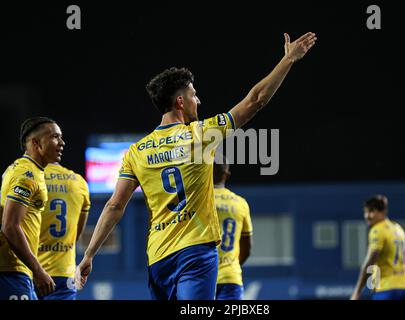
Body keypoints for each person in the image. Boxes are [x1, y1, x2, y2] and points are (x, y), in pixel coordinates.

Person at [76, 31, 317, 300]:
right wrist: (288, 60)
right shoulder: (201, 135)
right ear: (180, 101)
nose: (198, 100)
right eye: (194, 94)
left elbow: (114, 206)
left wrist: (88, 255)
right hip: (196, 250)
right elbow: (255, 100)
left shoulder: (136, 151)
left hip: (158, 257)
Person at [0, 117, 65, 300]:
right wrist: (38, 270)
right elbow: (10, 226)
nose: (61, 143)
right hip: (11, 269)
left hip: (16, 269)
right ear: (36, 143)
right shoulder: (27, 175)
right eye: (55, 137)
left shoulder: (25, 169)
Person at [37, 162, 90, 300]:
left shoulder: (27, 176)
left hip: (31, 270)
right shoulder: (79, 182)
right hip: (64, 272)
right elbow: (77, 234)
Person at [350, 195, 405, 300]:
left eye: (371, 212)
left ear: (382, 212)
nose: (367, 216)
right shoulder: (398, 228)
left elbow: (369, 262)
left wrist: (357, 291)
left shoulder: (377, 230)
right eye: (365, 212)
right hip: (404, 287)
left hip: (386, 289)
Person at [213, 159, 252, 300]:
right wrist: (233, 263)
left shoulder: (199, 202)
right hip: (231, 276)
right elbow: (247, 248)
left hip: (203, 276)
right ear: (227, 174)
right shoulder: (240, 203)